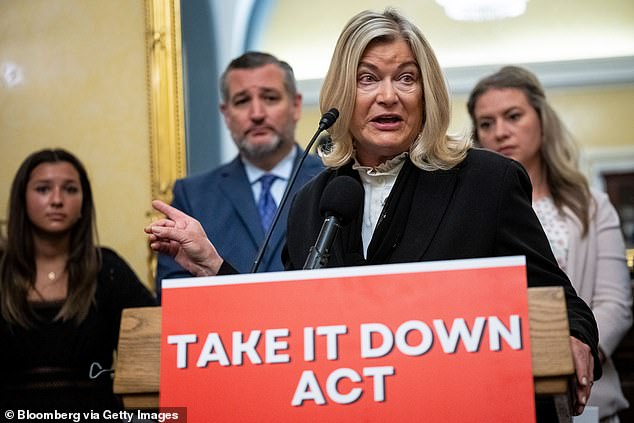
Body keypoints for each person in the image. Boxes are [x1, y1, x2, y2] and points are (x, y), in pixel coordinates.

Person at [146, 9, 601, 418]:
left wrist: (577, 336)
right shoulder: (312, 200)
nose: (389, 96)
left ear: (427, 92)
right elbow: (283, 335)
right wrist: (213, 267)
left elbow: (560, 299)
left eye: (406, 78)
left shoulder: (486, 181)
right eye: (367, 79)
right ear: (342, 94)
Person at [467, 65, 632, 422]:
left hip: (585, 397)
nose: (500, 132)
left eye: (513, 116)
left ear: (541, 120)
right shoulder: (468, 213)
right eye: (486, 123)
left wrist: (571, 355)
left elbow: (614, 305)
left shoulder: (591, 206)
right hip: (496, 393)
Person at [155, 51, 323, 295]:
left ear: (296, 106)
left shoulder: (336, 181)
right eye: (242, 101)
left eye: (270, 98)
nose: (256, 114)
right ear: (226, 114)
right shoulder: (193, 197)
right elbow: (171, 297)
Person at [0, 148, 156, 411]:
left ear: (84, 202)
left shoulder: (107, 268)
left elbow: (155, 343)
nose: (57, 200)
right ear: (21, 200)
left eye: (70, 189)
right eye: (43, 189)